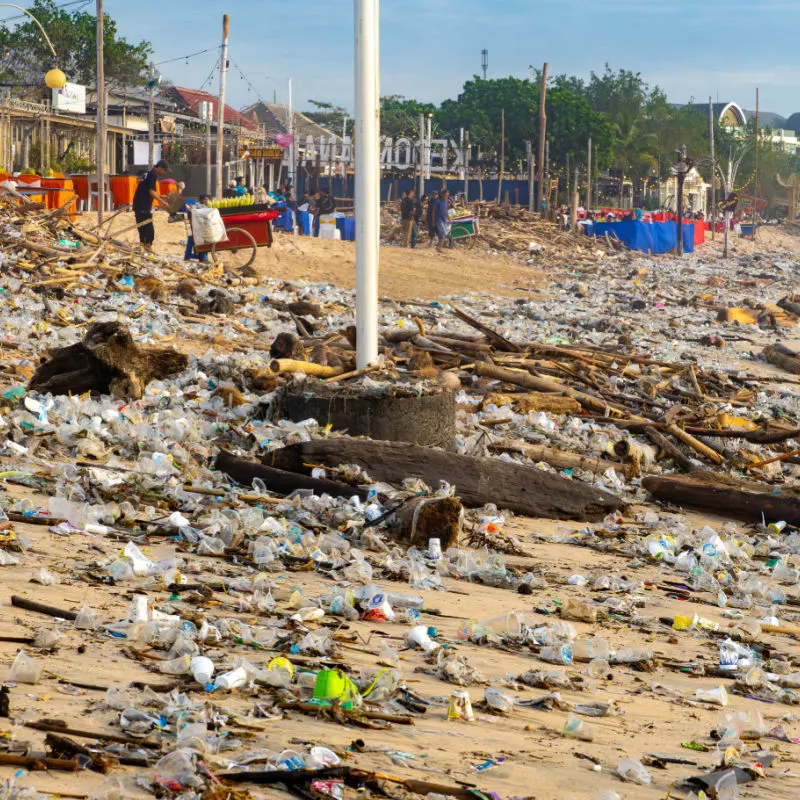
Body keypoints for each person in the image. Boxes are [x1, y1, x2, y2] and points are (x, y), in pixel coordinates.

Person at [132, 159, 169, 253]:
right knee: (149, 229)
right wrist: (161, 201)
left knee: (142, 227)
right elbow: (151, 192)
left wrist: (160, 196)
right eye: (165, 170)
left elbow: (148, 190)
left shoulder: (148, 173)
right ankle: (147, 247)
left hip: (139, 203)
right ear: (160, 167)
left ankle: (144, 248)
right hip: (142, 204)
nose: (165, 173)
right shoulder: (153, 175)